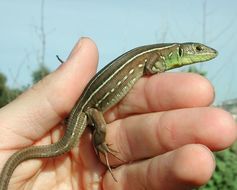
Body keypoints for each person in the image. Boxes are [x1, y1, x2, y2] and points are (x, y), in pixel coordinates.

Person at [0, 38, 236, 190]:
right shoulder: (157, 56)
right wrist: (98, 139)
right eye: (196, 50)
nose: (202, 53)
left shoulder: (157, 52)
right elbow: (151, 67)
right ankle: (99, 145)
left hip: (85, 109)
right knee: (98, 131)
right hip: (88, 110)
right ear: (182, 51)